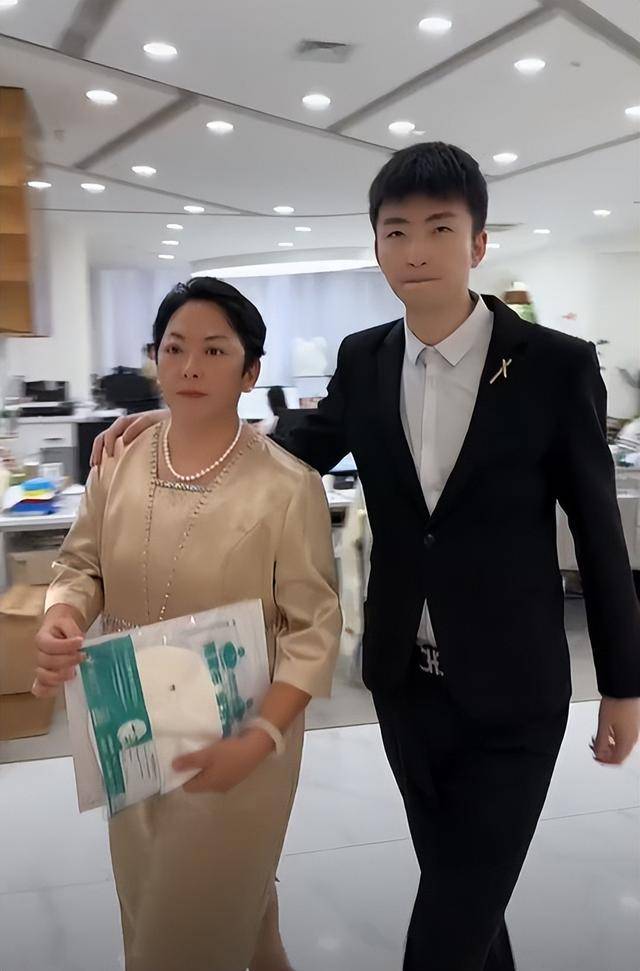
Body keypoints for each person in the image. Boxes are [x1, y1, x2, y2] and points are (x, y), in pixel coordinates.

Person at [90, 143, 640, 971]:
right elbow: (290, 448)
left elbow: (599, 531)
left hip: (516, 690)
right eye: (395, 230)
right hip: (406, 684)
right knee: (466, 896)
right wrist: (181, 424)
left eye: (439, 228)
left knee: (449, 923)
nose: (415, 249)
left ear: (478, 242)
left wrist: (624, 683)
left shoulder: (553, 365)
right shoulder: (365, 357)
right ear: (377, 245)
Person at [34, 277, 341, 971]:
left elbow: (313, 629)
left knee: (177, 940)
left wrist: (259, 738)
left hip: (238, 737)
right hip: (130, 723)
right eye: (174, 348)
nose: (190, 366)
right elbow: (81, 565)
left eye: (214, 350)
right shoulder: (120, 462)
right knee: (165, 906)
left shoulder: (286, 485)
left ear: (250, 371)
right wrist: (62, 616)